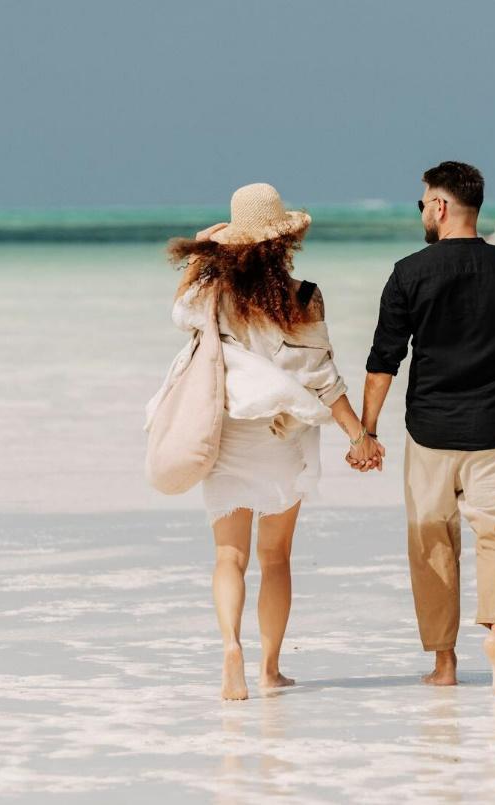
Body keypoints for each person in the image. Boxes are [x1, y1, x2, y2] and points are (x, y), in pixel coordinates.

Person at [168, 183, 383, 701]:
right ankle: (269, 668)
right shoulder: (303, 296)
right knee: (277, 558)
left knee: (228, 557)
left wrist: (205, 250)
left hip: (227, 433)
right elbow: (322, 377)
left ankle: (230, 650)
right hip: (282, 435)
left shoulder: (211, 296)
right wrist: (361, 437)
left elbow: (179, 312)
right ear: (286, 240)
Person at [355, 161, 495, 698]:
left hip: (429, 433)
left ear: (441, 207)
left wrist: (366, 431)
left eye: (423, 202)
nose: (422, 210)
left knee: (432, 543)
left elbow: (384, 362)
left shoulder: (408, 274)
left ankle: (445, 663)